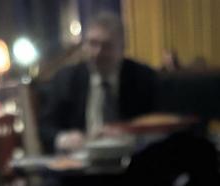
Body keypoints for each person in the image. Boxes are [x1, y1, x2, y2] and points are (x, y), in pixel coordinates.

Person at [38, 12, 157, 153]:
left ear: (122, 47)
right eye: (92, 44)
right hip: (80, 159)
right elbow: (45, 127)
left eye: (107, 46)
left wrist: (129, 133)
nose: (98, 52)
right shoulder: (66, 78)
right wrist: (64, 138)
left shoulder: (143, 77)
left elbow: (158, 124)